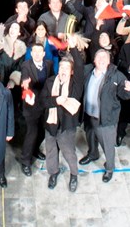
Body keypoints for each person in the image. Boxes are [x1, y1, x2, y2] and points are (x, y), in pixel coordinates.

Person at [79, 48, 130, 183]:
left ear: (109, 61)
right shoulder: (88, 71)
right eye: (99, 58)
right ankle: (93, 154)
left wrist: (129, 89)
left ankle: (110, 168)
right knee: (90, 136)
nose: (102, 60)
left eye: (105, 58)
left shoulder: (116, 75)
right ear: (94, 60)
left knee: (107, 145)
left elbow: (126, 94)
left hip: (105, 118)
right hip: (89, 114)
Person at [41, 57, 83, 192]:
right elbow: (43, 101)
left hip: (66, 127)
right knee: (51, 151)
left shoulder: (75, 84)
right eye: (61, 67)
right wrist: (56, 101)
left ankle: (74, 174)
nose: (63, 70)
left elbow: (80, 68)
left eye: (67, 68)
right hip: (51, 124)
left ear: (72, 71)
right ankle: (53, 173)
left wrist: (75, 48)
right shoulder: (50, 81)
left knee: (69, 152)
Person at [18, 41, 52, 176]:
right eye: (34, 52)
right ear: (31, 54)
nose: (37, 54)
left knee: (43, 131)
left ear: (43, 54)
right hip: (31, 105)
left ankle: (35, 150)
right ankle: (25, 161)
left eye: (40, 52)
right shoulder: (26, 65)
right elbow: (25, 78)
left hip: (45, 104)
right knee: (31, 133)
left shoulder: (48, 64)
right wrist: (25, 85)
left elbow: (51, 80)